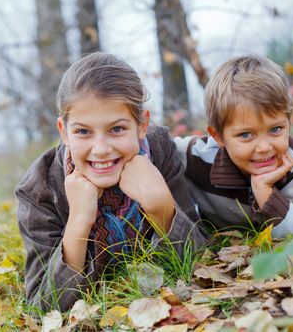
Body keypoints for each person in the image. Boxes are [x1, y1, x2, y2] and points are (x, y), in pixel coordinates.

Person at [16, 52, 207, 312]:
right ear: (64, 132)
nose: (101, 149)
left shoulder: (160, 150)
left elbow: (201, 260)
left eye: (117, 129)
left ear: (142, 125)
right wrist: (79, 221)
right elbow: (42, 306)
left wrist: (161, 205)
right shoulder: (39, 190)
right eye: (83, 131)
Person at [175, 54, 293, 238]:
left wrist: (266, 194)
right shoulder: (198, 156)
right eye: (245, 135)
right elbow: (158, 146)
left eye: (275, 129)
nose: (263, 147)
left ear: (288, 122)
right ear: (218, 136)